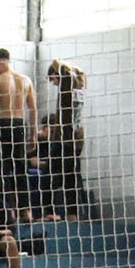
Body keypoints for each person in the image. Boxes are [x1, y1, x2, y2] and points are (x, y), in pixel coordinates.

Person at [0, 49, 36, 217]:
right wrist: (32, 134)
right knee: (21, 168)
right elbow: (33, 109)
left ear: (2, 62)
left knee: (3, 168)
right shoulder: (26, 80)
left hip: (3, 124)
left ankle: (9, 208)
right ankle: (25, 210)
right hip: (19, 124)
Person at [37, 60, 86, 220]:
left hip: (65, 139)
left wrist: (64, 67)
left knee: (48, 176)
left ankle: (50, 212)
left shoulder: (67, 85)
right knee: (71, 177)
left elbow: (57, 63)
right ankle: (72, 213)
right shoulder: (80, 85)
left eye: (53, 79)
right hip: (75, 139)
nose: (54, 84)